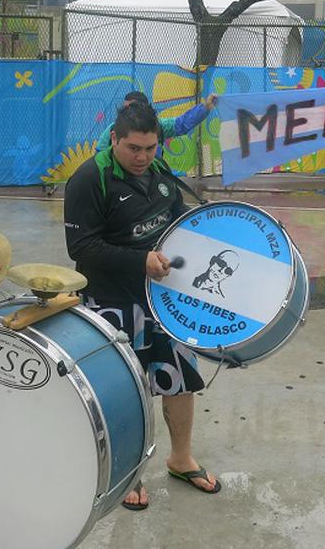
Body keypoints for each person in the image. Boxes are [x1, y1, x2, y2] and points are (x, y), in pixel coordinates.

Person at [64, 101, 220, 511]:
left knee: (181, 379)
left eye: (150, 148)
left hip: (163, 300)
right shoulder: (89, 179)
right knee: (125, 388)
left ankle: (180, 457)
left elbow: (177, 219)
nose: (142, 157)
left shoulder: (162, 175)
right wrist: (140, 261)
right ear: (114, 139)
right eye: (133, 148)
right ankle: (129, 471)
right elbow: (80, 247)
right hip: (112, 301)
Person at [96, 90, 218, 153]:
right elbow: (100, 158)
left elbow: (182, 123)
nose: (141, 158)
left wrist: (205, 107)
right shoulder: (114, 130)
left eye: (132, 108)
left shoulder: (158, 126)